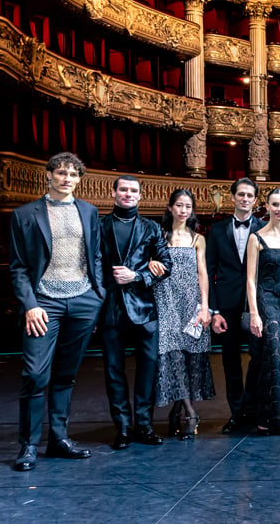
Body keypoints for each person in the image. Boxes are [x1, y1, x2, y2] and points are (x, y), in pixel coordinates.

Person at [9, 152, 105, 471]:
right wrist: (30, 305)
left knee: (66, 375)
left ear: (79, 179)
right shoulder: (25, 214)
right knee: (36, 374)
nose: (67, 178)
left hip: (82, 300)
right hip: (44, 303)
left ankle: (59, 439)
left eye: (73, 174)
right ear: (48, 175)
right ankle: (28, 446)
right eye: (61, 172)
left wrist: (97, 294)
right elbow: (19, 267)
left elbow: (97, 257)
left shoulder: (89, 212)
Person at [99, 174, 173, 449]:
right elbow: (92, 266)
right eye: (124, 189)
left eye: (133, 190)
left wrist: (138, 276)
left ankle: (143, 425)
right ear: (114, 192)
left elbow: (166, 265)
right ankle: (123, 429)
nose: (128, 194)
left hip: (145, 309)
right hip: (111, 309)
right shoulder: (99, 225)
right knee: (113, 371)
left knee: (148, 370)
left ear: (140, 196)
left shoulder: (151, 227)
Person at [152, 189, 215, 441]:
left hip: (191, 303)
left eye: (188, 206)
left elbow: (203, 274)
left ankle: (176, 411)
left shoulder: (197, 238)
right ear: (170, 208)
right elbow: (146, 261)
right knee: (173, 356)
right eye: (179, 205)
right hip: (165, 301)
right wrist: (148, 263)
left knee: (189, 358)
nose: (183, 210)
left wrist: (204, 306)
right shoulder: (158, 235)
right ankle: (191, 414)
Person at [206, 178, 265, 432]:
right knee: (230, 361)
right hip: (226, 306)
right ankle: (236, 412)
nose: (244, 199)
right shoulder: (217, 231)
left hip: (256, 305)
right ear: (232, 197)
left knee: (258, 358)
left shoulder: (264, 228)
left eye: (249, 195)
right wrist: (214, 310)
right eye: (240, 194)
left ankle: (250, 408)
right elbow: (208, 272)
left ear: (255, 200)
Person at [245, 188, 280, 435]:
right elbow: (250, 280)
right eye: (275, 204)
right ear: (266, 206)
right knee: (274, 353)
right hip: (266, 300)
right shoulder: (256, 238)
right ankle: (268, 416)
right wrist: (255, 313)